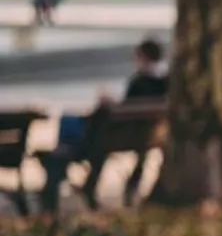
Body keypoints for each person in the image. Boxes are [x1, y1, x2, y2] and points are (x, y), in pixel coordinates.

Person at [39, 38, 170, 211]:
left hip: (107, 135)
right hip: (130, 135)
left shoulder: (142, 82)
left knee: (66, 122)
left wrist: (107, 103)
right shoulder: (162, 83)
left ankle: (61, 166)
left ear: (142, 56)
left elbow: (124, 109)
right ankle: (83, 181)